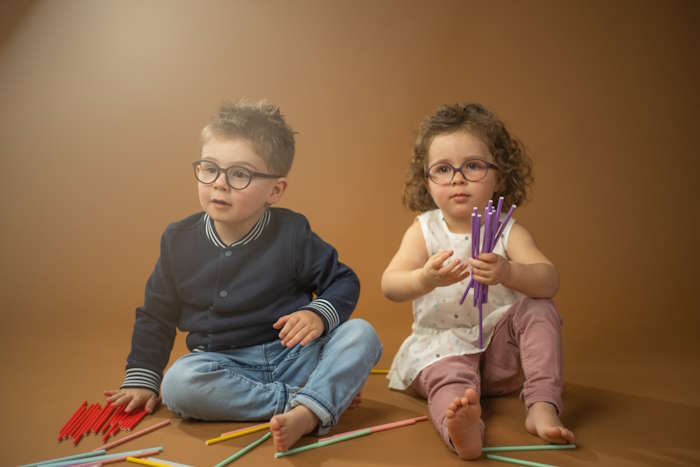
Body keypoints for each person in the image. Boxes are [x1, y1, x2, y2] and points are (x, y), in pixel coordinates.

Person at [104, 100, 382, 451]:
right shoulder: (179, 240)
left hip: (294, 355)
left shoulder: (292, 233)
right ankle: (309, 403)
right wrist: (142, 380)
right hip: (224, 366)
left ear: (275, 191)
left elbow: (344, 281)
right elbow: (156, 315)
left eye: (239, 174)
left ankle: (312, 403)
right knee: (178, 384)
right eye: (209, 168)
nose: (219, 184)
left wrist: (316, 314)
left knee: (362, 334)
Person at [381, 103, 574, 459]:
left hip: (500, 357)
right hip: (443, 348)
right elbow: (390, 284)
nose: (457, 178)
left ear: (500, 175)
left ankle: (542, 405)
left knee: (539, 306)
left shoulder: (506, 229)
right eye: (442, 169)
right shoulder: (424, 229)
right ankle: (462, 430)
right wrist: (425, 278)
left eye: (472, 165)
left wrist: (509, 272)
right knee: (451, 384)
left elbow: (549, 280)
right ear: (426, 180)